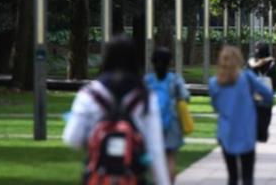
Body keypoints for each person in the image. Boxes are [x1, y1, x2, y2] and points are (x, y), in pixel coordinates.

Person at [63, 36, 170, 185]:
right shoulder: (145, 96)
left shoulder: (89, 94)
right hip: (131, 176)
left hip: (99, 176)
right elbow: (155, 148)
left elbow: (72, 138)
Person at [209, 46, 273, 184]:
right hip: (246, 131)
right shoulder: (246, 78)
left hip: (226, 132)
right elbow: (268, 95)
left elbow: (215, 107)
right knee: (247, 176)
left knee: (232, 176)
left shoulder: (214, 83)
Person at [145, 47, 190, 183]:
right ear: (170, 62)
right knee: (170, 157)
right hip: (172, 122)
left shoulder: (148, 80)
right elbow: (185, 97)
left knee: (155, 158)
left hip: (152, 122)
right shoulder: (175, 79)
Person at [249, 42, 276, 143]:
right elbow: (274, 79)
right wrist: (273, 90)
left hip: (254, 93)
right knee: (266, 114)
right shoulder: (271, 63)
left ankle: (256, 131)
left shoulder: (252, 62)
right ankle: (263, 132)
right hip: (267, 92)